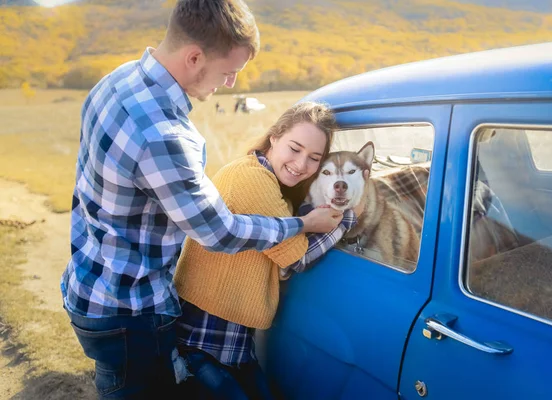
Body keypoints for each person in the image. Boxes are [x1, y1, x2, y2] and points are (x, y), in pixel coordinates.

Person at [60, 1, 342, 398]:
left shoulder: (116, 82)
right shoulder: (166, 135)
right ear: (194, 57)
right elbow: (219, 232)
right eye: (228, 72)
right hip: (132, 310)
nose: (229, 84)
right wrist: (302, 224)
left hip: (88, 286)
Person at [174, 102, 364, 399]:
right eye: (295, 148)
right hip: (202, 337)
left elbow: (282, 263)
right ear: (274, 137)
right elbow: (296, 257)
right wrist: (346, 217)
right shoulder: (251, 178)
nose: (302, 165)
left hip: (235, 341)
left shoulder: (276, 188)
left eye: (315, 158)